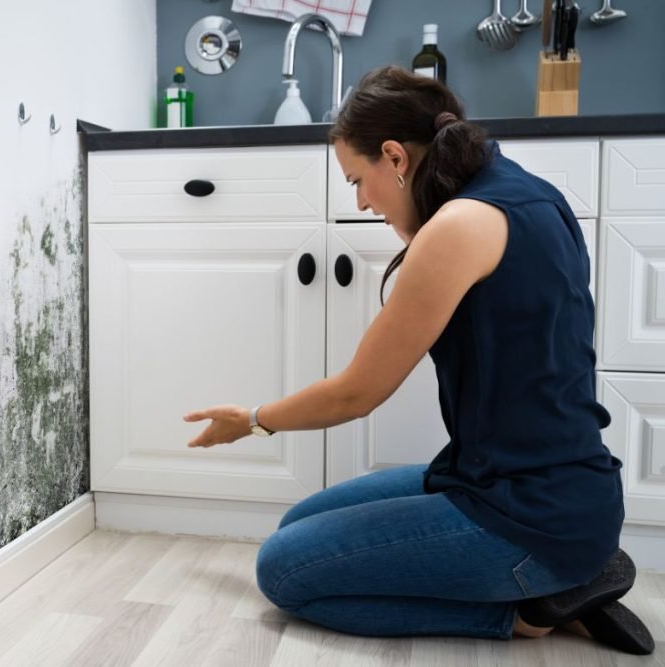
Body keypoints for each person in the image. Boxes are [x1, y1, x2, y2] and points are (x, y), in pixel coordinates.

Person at [183, 66, 654, 656]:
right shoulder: (529, 192)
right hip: (532, 486)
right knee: (296, 527)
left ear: (394, 156)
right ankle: (567, 577)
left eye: (358, 180)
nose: (359, 202)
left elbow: (358, 392)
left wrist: (253, 418)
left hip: (529, 517)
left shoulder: (457, 227)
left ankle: (533, 610)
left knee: (283, 571)